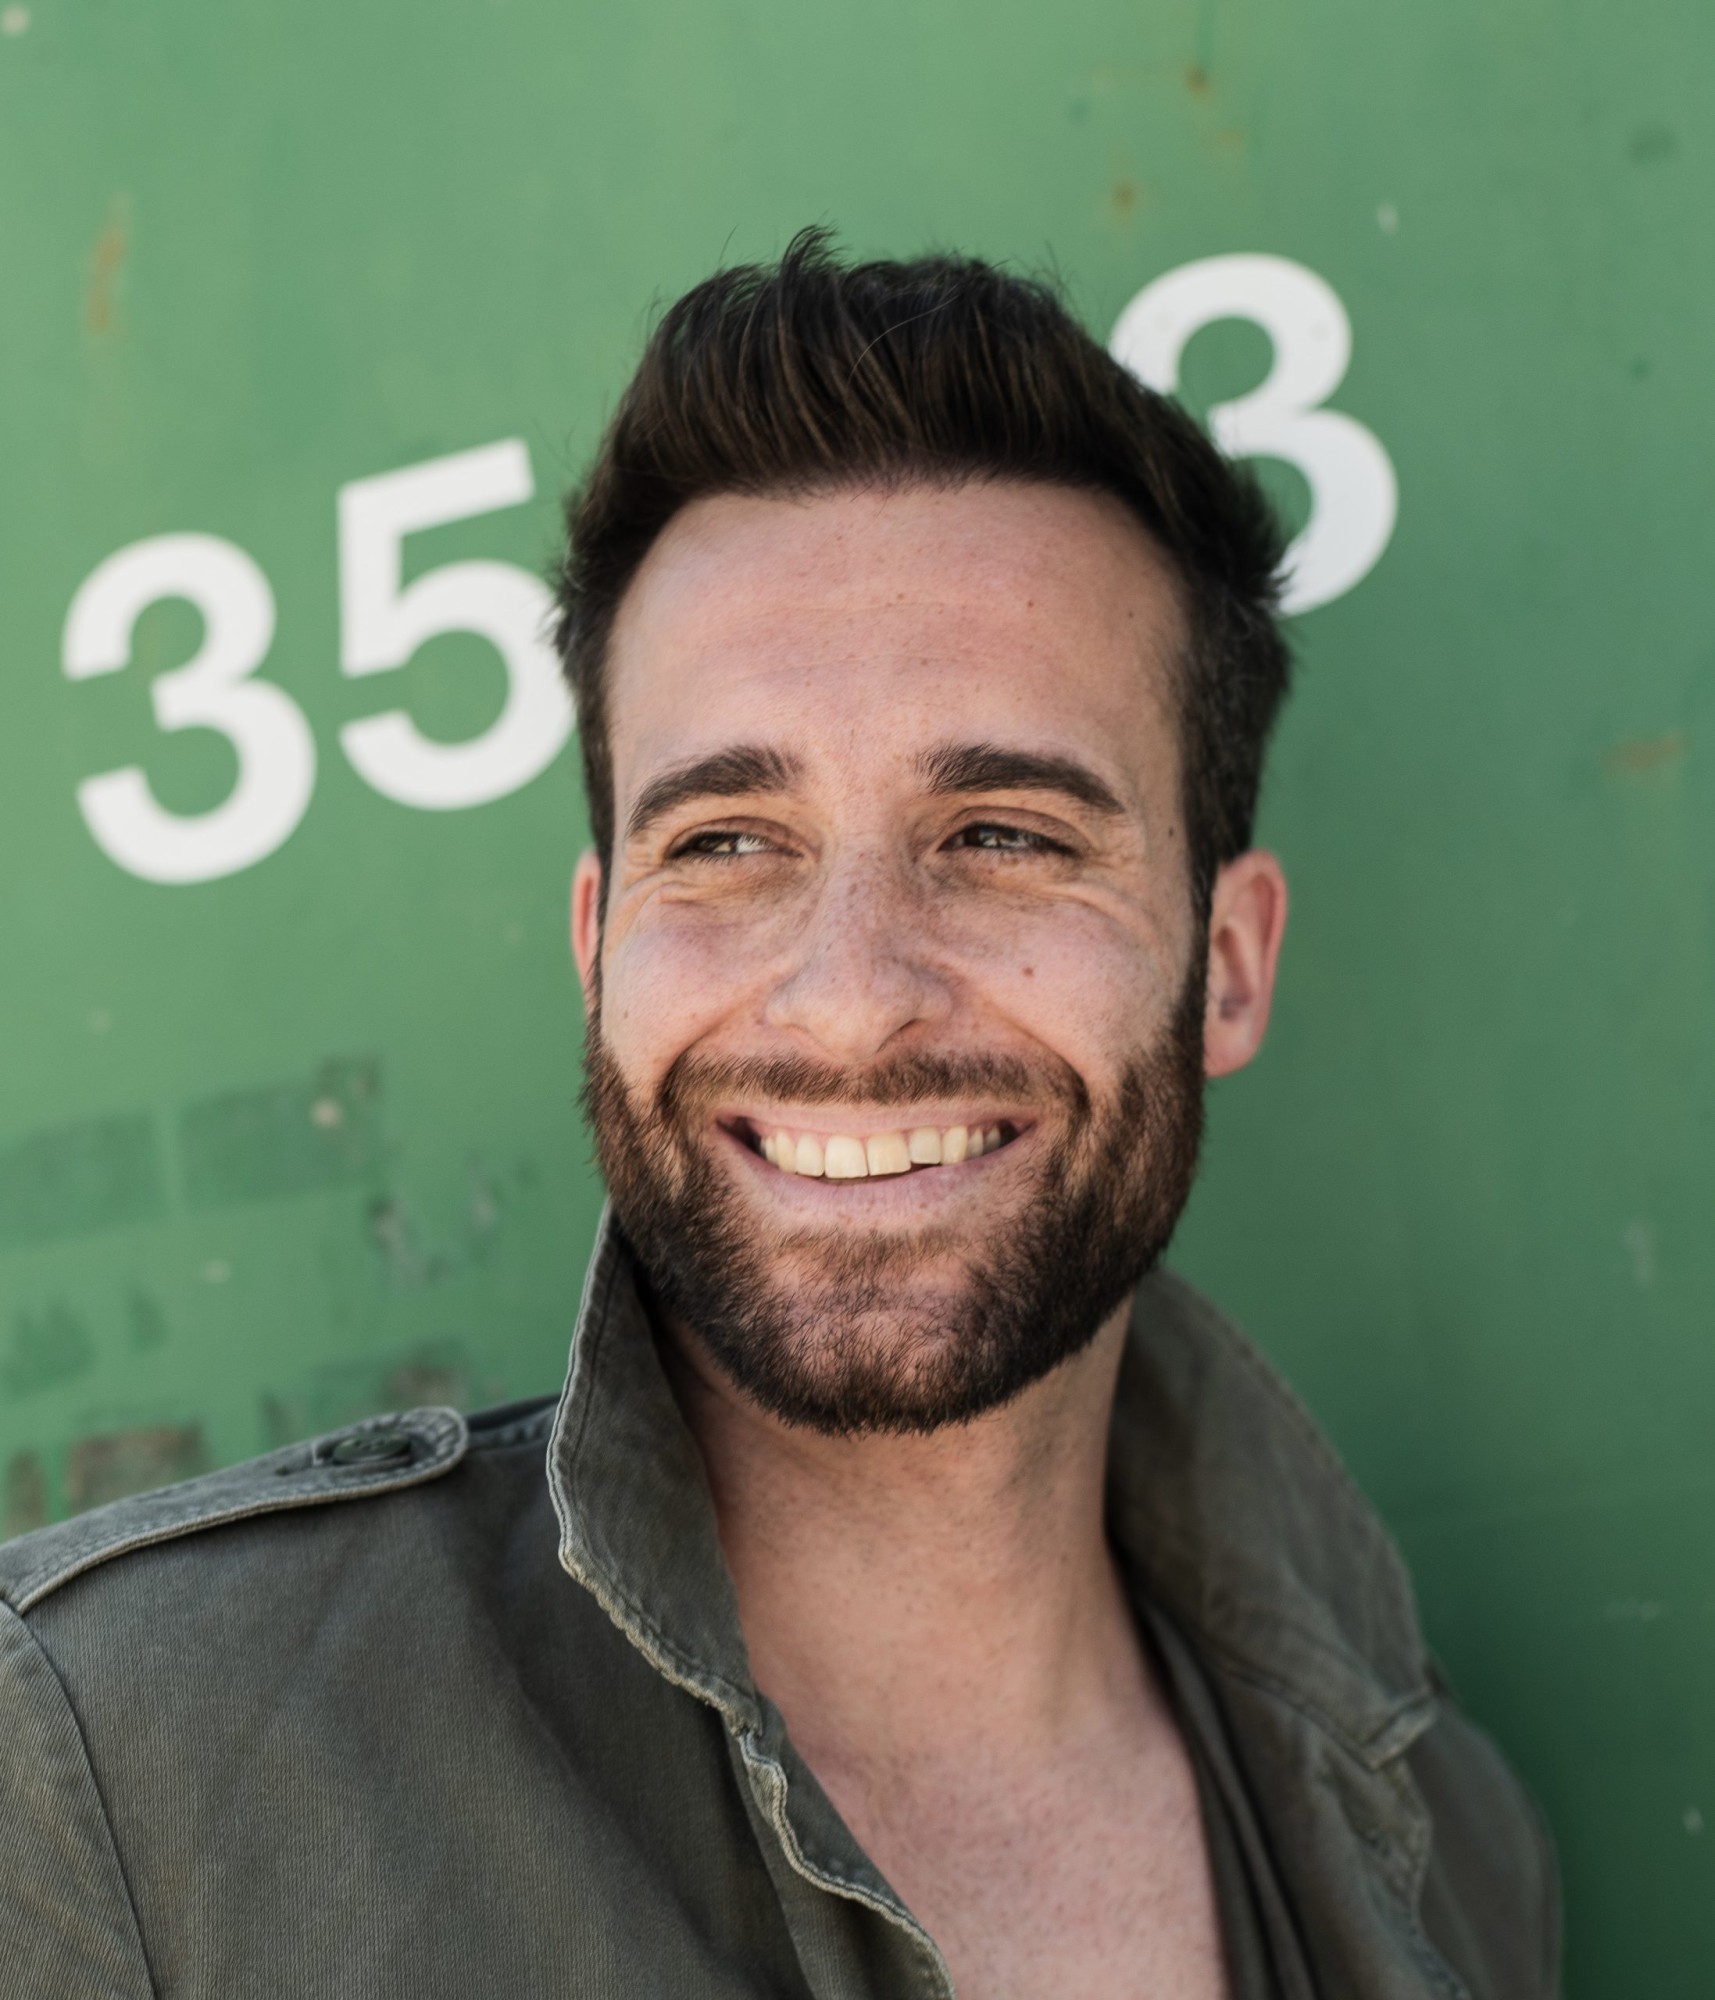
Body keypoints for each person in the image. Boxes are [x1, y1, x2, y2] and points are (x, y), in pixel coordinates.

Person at [1, 233, 1558, 1999]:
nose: (849, 995)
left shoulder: (1448, 1851)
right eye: (727, 843)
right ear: (599, 948)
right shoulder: (110, 1777)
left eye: (1007, 836)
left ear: (1228, 964)